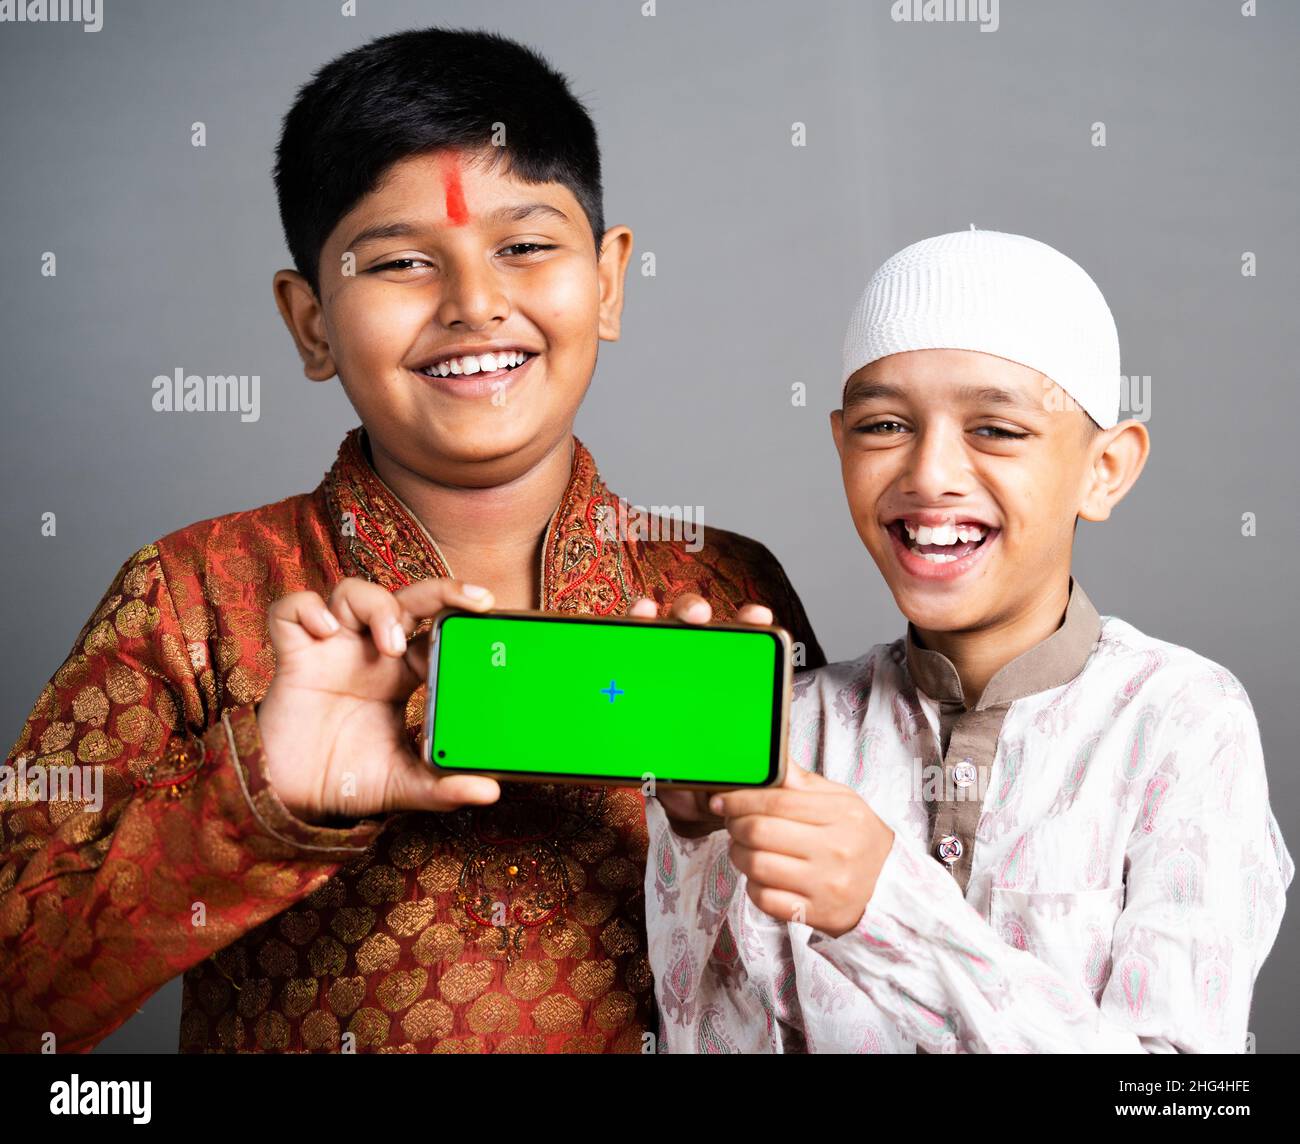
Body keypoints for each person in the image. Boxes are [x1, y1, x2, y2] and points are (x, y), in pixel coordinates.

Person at [0, 26, 823, 1054]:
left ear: (607, 282)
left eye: (525, 247)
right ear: (309, 323)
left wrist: (716, 843)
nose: (475, 305)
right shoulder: (192, 597)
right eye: (398, 262)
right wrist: (251, 806)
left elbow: (843, 977)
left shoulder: (724, 586)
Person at [647, 229, 1293, 1053]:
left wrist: (887, 911)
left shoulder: (1180, 723)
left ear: (1106, 469)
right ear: (840, 444)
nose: (930, 474)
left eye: (996, 429)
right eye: (885, 425)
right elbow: (702, 1034)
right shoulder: (798, 728)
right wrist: (697, 834)